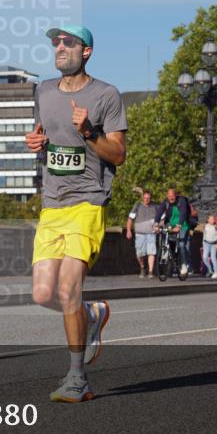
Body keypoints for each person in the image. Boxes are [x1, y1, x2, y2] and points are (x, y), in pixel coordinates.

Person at [25, 23, 127, 403]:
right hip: (52, 204)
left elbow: (118, 154)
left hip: (87, 202)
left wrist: (88, 132)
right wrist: (35, 142)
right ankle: (92, 314)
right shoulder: (44, 91)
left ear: (86, 51)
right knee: (41, 293)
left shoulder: (106, 95)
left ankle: (77, 378)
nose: (59, 47)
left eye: (68, 42)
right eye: (56, 42)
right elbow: (43, 137)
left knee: (67, 289)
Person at [154, 189, 191, 276]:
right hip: (170, 224)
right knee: (165, 240)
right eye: (169, 196)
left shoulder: (182, 201)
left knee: (181, 245)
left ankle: (184, 265)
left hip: (183, 225)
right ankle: (166, 258)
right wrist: (155, 224)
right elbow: (159, 212)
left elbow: (183, 213)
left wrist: (179, 225)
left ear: (176, 195)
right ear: (167, 196)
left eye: (173, 196)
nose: (171, 198)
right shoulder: (166, 202)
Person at [126, 189, 159, 278]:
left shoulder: (155, 206)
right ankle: (143, 267)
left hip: (151, 233)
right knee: (139, 253)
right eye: (145, 198)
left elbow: (162, 218)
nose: (146, 200)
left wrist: (159, 226)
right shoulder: (137, 205)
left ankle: (151, 271)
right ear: (142, 198)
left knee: (151, 252)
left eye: (148, 198)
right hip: (140, 233)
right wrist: (128, 230)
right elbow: (130, 218)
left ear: (150, 198)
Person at [201, 214, 217, 278]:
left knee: (213, 258)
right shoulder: (206, 226)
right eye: (211, 219)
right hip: (206, 244)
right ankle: (210, 270)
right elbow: (204, 236)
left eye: (213, 219)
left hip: (214, 244)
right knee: (204, 257)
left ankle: (216, 272)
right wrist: (203, 245)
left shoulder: (216, 227)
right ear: (208, 220)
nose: (213, 220)